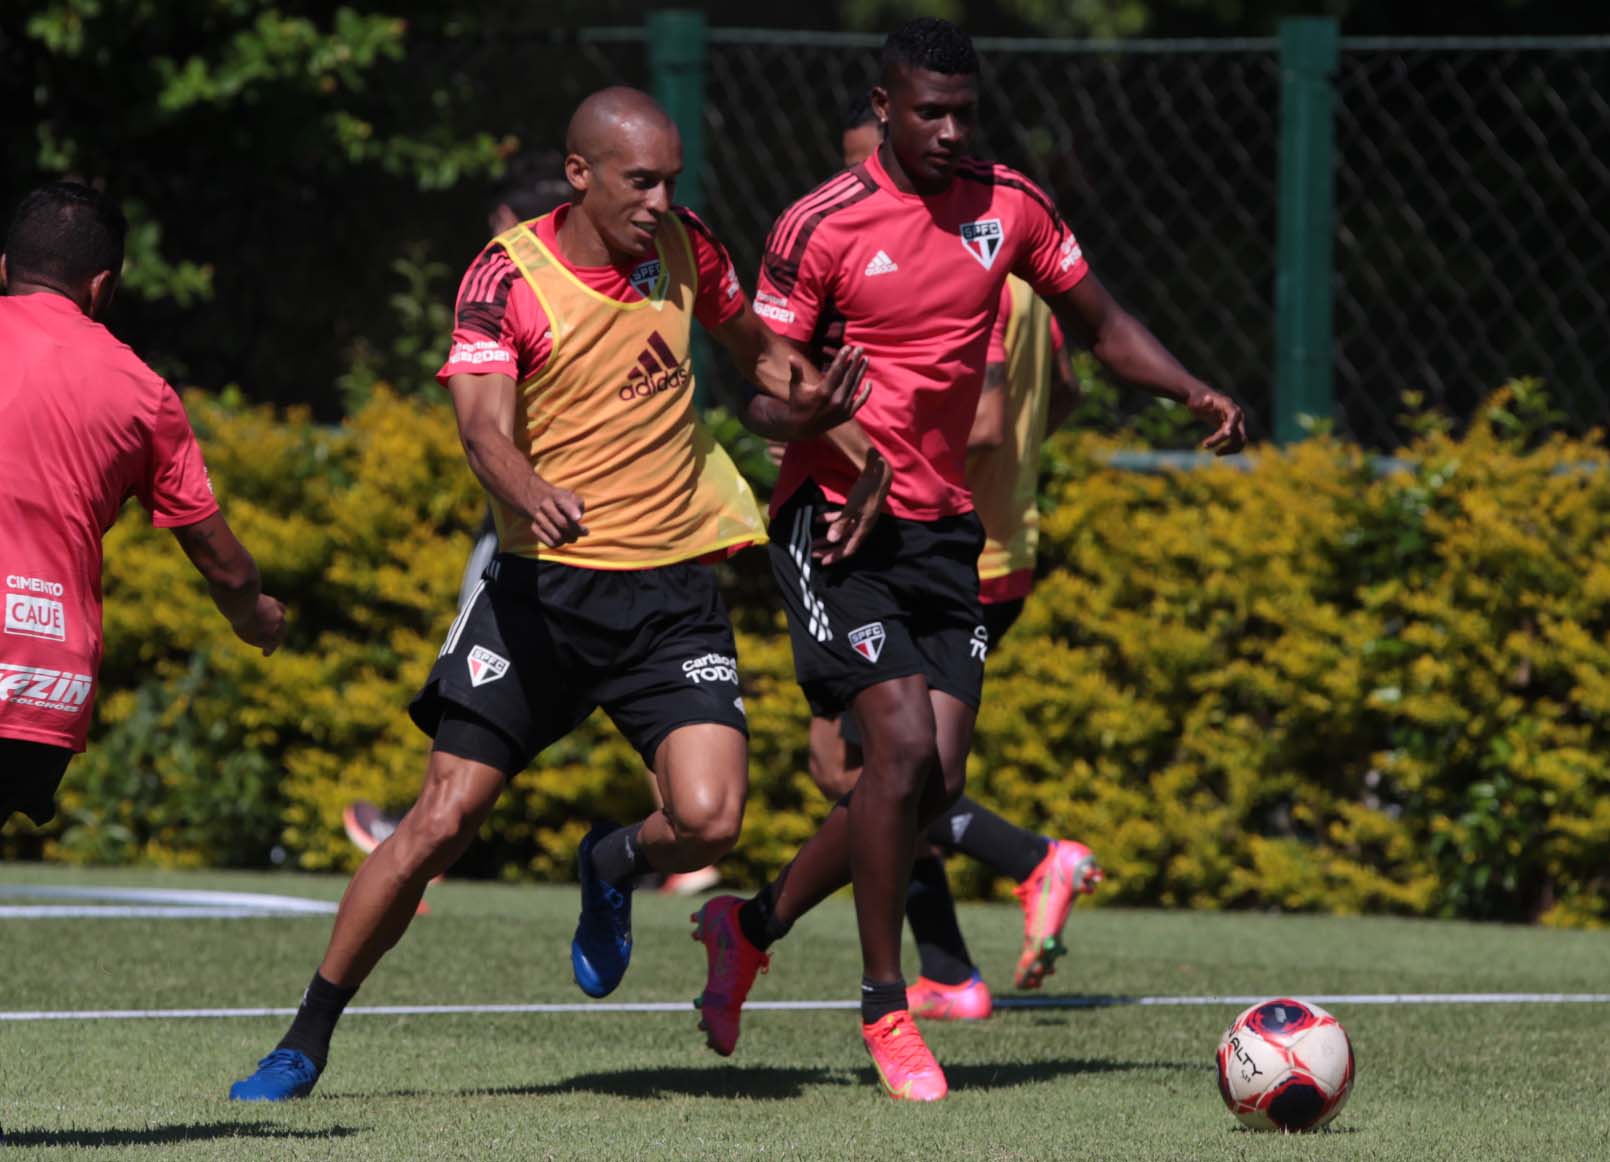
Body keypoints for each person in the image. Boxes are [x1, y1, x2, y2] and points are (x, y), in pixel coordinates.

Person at [228, 86, 882, 1102]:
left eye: (671, 179)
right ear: (578, 174)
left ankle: (610, 861)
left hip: (670, 592)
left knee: (711, 821)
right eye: (640, 180)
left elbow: (757, 357)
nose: (660, 199)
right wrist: (528, 490)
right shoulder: (505, 277)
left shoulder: (686, 246)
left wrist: (835, 427)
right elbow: (482, 426)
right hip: (542, 596)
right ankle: (305, 1035)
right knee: (441, 821)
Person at [691, 19, 1245, 1103]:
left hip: (945, 528)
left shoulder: (1011, 205)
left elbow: (1101, 322)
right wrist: (806, 405)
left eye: (965, 112)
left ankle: (746, 927)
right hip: (834, 519)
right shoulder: (820, 224)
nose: (950, 131)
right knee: (891, 749)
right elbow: (754, 385)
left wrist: (1188, 389)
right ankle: (886, 1008)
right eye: (928, 112)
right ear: (882, 107)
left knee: (930, 779)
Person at [341, 149, 720, 897]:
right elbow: (484, 431)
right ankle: (433, 830)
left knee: (633, 700)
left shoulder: (632, 262)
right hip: (551, 534)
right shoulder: (507, 285)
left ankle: (428, 838)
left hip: (588, 551)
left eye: (503, 227)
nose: (497, 244)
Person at [799, 95, 1103, 1022]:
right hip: (1001, 540)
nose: (865, 191)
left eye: (872, 165)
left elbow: (978, 422)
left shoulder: (981, 277)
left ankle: (1019, 870)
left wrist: (873, 461)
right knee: (891, 769)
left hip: (943, 542)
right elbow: (1070, 394)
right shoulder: (1024, 279)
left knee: (866, 770)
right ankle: (948, 967)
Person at [0, 182, 288, 829]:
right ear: (102, 288)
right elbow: (225, 566)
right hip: (40, 683)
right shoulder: (142, 391)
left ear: (2, 270)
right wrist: (255, 615)